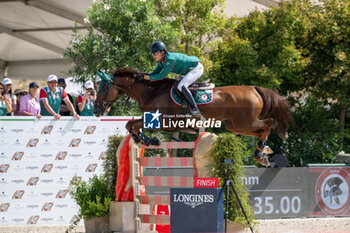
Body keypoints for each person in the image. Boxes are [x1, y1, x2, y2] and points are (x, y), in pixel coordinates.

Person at [142, 41, 203, 117]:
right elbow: (154, 73)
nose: (154, 56)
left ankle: (195, 109)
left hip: (196, 69)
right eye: (153, 54)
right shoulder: (161, 61)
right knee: (178, 85)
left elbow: (161, 76)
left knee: (181, 86)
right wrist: (143, 76)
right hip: (188, 71)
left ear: (162, 52)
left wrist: (147, 77)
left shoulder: (169, 60)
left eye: (155, 54)